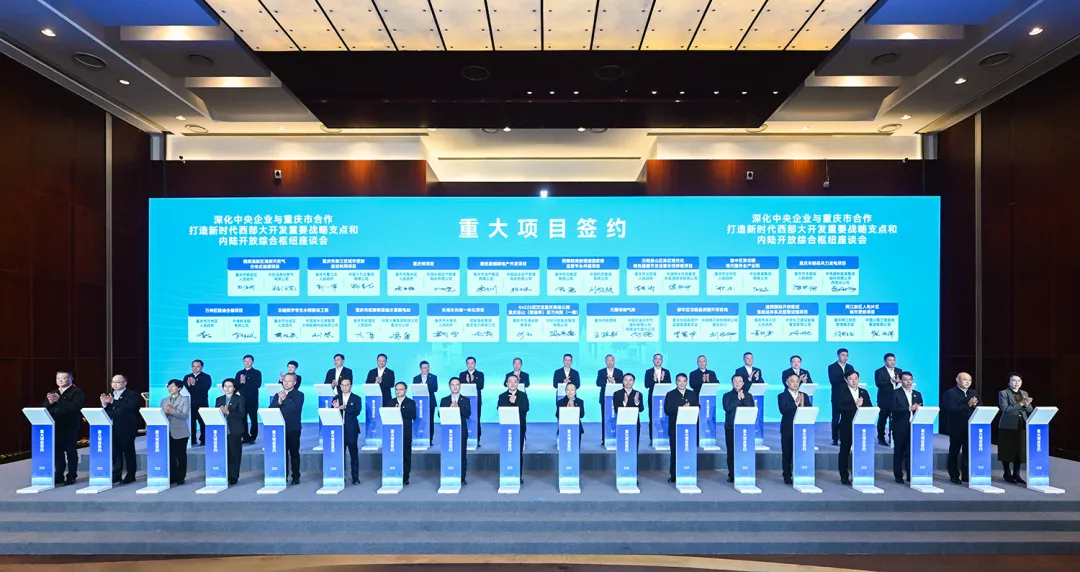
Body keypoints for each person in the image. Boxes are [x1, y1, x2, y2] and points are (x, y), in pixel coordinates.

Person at [43, 370, 84, 486]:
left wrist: (59, 400)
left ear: (71, 379)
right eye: (58, 378)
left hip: (70, 426)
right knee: (57, 452)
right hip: (55, 426)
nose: (61, 380)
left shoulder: (77, 392)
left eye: (64, 378)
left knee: (71, 451)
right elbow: (45, 407)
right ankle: (59, 474)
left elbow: (75, 407)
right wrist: (50, 402)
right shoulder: (53, 392)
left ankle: (72, 475)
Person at [102, 374, 141, 484]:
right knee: (115, 453)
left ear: (125, 383)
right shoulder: (109, 395)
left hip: (126, 428)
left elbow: (129, 407)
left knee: (128, 452)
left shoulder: (132, 394)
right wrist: (104, 404)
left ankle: (131, 474)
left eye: (118, 382)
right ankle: (116, 475)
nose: (115, 384)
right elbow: (108, 411)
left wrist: (112, 401)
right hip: (112, 427)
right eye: (113, 382)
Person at [998, 373, 1033, 485]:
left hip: (1022, 424)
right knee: (1007, 449)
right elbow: (1005, 408)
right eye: (1013, 380)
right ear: (1009, 382)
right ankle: (1007, 473)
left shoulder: (1024, 393)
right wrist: (1021, 403)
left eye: (1019, 380)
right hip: (1008, 425)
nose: (1016, 382)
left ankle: (1016, 474)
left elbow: (1029, 410)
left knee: (1020, 450)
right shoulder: (1003, 393)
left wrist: (1026, 405)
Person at [943, 372, 978, 484]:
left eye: (969, 380)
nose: (967, 382)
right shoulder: (950, 393)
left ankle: (966, 475)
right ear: (957, 380)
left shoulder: (973, 393)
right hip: (956, 427)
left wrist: (974, 405)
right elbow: (951, 408)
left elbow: (979, 405)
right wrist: (968, 405)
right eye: (965, 379)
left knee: (967, 452)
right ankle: (954, 475)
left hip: (970, 427)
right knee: (954, 451)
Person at [270, 373, 305, 485]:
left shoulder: (299, 394)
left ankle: (296, 476)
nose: (286, 383)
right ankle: (283, 475)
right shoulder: (277, 394)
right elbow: (271, 409)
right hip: (279, 428)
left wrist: (285, 399)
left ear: (294, 383)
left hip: (293, 428)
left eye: (289, 381)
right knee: (282, 453)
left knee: (294, 453)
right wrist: (278, 402)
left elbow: (295, 408)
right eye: (284, 381)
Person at [664, 373, 699, 483]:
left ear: (686, 382)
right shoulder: (670, 394)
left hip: (690, 427)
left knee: (689, 450)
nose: (682, 383)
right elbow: (667, 410)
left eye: (684, 381)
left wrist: (690, 408)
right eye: (679, 381)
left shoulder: (692, 394)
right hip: (675, 428)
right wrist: (681, 408)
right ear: (676, 382)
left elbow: (698, 406)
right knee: (675, 451)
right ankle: (674, 474)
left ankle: (689, 472)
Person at [890, 372, 922, 484]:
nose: (908, 382)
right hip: (900, 427)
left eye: (910, 379)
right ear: (900, 380)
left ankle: (910, 475)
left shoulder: (917, 394)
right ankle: (898, 475)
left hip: (913, 427)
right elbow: (893, 408)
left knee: (910, 452)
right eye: (905, 379)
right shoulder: (895, 393)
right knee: (899, 452)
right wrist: (909, 408)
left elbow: (921, 408)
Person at [724, 374, 756, 483]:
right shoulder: (727, 395)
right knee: (732, 452)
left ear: (743, 383)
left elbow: (751, 408)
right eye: (735, 381)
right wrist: (738, 399)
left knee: (744, 451)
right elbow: (727, 408)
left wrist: (744, 399)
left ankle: (745, 472)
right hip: (731, 428)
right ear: (732, 383)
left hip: (745, 428)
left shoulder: (748, 395)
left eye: (739, 381)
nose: (737, 383)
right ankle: (732, 474)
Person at [777, 374, 808, 486]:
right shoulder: (782, 396)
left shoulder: (804, 395)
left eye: (797, 381)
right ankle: (787, 475)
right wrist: (795, 404)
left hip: (802, 429)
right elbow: (783, 410)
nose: (795, 383)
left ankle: (800, 473)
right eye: (792, 381)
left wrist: (802, 405)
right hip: (788, 428)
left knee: (800, 453)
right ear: (787, 383)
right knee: (787, 453)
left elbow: (809, 409)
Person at [498, 375, 530, 483]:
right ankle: (506, 472)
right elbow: (500, 409)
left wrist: (515, 402)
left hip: (519, 427)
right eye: (510, 381)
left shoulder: (523, 395)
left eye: (515, 381)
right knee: (507, 450)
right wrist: (509, 402)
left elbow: (526, 408)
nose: (512, 384)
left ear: (518, 383)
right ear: (506, 383)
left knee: (518, 450)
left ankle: (518, 475)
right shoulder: (502, 396)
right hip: (506, 428)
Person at [440, 377, 471, 485]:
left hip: (461, 430)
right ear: (449, 386)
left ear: (460, 386)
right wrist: (449, 408)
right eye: (453, 385)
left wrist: (458, 408)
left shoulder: (465, 400)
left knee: (462, 453)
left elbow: (468, 414)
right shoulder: (444, 400)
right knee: (448, 452)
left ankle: (462, 477)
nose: (455, 387)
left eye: (457, 384)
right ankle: (448, 474)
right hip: (448, 431)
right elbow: (440, 414)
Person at [215, 379, 246, 485]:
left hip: (235, 430)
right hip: (222, 430)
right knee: (225, 453)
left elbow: (242, 414)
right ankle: (225, 474)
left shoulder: (240, 398)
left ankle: (234, 476)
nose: (227, 388)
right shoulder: (219, 399)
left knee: (235, 454)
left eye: (230, 386)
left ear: (234, 388)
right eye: (225, 386)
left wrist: (228, 412)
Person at [161, 379, 190, 486]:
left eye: (172, 386)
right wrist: (165, 413)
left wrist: (172, 410)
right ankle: (172, 476)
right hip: (167, 431)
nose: (170, 388)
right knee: (170, 455)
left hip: (180, 432)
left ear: (179, 388)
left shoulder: (184, 400)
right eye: (168, 386)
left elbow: (184, 415)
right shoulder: (164, 400)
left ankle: (181, 477)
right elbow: (161, 414)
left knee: (180, 455)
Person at [334, 378, 363, 485]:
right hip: (339, 430)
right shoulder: (336, 398)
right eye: (342, 385)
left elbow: (357, 411)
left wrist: (344, 408)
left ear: (350, 386)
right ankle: (340, 476)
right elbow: (331, 412)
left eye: (347, 385)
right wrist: (335, 409)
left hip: (351, 430)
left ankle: (355, 477)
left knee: (353, 454)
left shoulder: (356, 398)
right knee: (340, 454)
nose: (344, 387)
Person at [874, 353, 903, 446]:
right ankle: (881, 437)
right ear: (885, 361)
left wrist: (900, 381)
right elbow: (879, 384)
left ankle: (893, 438)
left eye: (894, 360)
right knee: (883, 419)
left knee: (895, 419)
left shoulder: (899, 371)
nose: (892, 362)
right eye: (890, 360)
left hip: (897, 399)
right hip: (884, 399)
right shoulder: (879, 371)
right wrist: (891, 381)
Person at [391, 382, 417, 485]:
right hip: (393, 432)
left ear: (405, 390)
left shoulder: (411, 402)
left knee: (406, 455)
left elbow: (413, 416)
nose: (398, 391)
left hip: (406, 431)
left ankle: (406, 476)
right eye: (396, 389)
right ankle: (393, 473)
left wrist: (400, 410)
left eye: (400, 389)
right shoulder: (390, 402)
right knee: (394, 454)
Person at [827, 348, 855, 446]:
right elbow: (833, 380)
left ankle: (845, 437)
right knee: (835, 418)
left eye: (846, 355)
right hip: (837, 396)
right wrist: (846, 379)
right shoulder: (832, 367)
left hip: (848, 396)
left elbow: (853, 380)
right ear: (838, 355)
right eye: (843, 355)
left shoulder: (850, 367)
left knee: (847, 418)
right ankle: (834, 438)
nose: (845, 357)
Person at [595, 354, 624, 446]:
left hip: (617, 399)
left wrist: (614, 381)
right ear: (605, 361)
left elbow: (623, 383)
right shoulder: (601, 372)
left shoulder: (619, 372)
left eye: (612, 360)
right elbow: (598, 383)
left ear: (614, 361)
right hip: (605, 399)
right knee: (605, 419)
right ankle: (605, 439)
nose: (610, 362)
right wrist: (607, 381)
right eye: (608, 360)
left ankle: (618, 438)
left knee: (617, 418)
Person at [644, 353, 672, 445]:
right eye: (656, 359)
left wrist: (662, 379)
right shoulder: (648, 372)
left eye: (660, 359)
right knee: (652, 417)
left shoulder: (666, 372)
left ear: (662, 361)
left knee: (665, 417)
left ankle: (665, 436)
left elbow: (669, 384)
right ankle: (652, 438)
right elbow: (646, 385)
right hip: (653, 398)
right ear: (653, 360)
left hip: (664, 398)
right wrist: (655, 379)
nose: (658, 360)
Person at [182, 359, 211, 446]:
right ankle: (192, 439)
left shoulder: (206, 377)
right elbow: (183, 389)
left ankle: (203, 439)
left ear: (202, 367)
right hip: (190, 404)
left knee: (203, 422)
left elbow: (205, 388)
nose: (195, 368)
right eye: (193, 366)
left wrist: (195, 384)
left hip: (202, 403)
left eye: (197, 366)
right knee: (191, 422)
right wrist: (188, 385)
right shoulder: (187, 376)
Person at [234, 354, 262, 444]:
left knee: (253, 418)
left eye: (249, 361)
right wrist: (241, 383)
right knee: (242, 419)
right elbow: (236, 386)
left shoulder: (257, 373)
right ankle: (245, 436)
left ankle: (253, 437)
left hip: (252, 399)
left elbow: (258, 384)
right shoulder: (239, 373)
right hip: (241, 400)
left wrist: (247, 380)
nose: (247, 363)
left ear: (252, 362)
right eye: (245, 361)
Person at [459, 357, 485, 445]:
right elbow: (459, 387)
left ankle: (477, 439)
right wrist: (466, 382)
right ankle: (464, 438)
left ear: (475, 364)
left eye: (472, 363)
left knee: (476, 418)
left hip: (476, 400)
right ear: (466, 364)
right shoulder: (462, 374)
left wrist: (472, 381)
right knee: (465, 418)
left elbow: (481, 386)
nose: (470, 365)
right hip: (464, 401)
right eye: (468, 363)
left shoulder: (480, 374)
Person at [612, 373, 644, 445]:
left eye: (630, 380)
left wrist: (636, 402)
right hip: (622, 421)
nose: (628, 382)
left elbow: (641, 409)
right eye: (626, 380)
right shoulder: (617, 394)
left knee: (634, 442)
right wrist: (624, 403)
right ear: (622, 381)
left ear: (634, 382)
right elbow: (616, 409)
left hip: (635, 422)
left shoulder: (638, 394)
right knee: (623, 443)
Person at [413, 360, 438, 440]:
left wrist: (425, 387)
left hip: (430, 402)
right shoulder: (416, 378)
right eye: (424, 368)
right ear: (420, 369)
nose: (426, 369)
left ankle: (430, 438)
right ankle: (418, 436)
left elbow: (435, 388)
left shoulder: (433, 377)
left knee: (430, 420)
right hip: (419, 403)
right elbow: (414, 390)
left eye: (427, 367)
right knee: (419, 420)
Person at [556, 381, 585, 447]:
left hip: (577, 428)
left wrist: (574, 409)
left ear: (575, 391)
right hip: (564, 428)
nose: (570, 392)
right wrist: (566, 410)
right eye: (568, 390)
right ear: (565, 391)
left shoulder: (580, 401)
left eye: (572, 390)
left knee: (575, 447)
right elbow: (557, 415)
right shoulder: (560, 402)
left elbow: (582, 415)